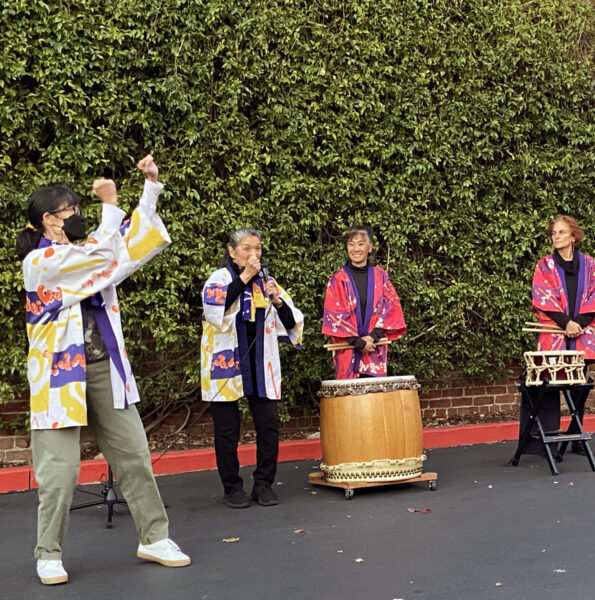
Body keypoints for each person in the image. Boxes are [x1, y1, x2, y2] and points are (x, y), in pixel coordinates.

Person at [16, 155, 190, 585]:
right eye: (70, 211)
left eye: (78, 209)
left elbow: (127, 249)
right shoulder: (39, 263)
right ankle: (48, 552)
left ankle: (154, 537)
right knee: (58, 471)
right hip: (59, 377)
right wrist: (111, 205)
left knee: (134, 456)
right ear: (46, 220)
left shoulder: (88, 253)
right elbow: (106, 253)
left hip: (104, 368)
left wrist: (150, 188)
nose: (77, 216)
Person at [201, 228, 303, 508]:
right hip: (226, 363)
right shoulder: (219, 278)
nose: (254, 254)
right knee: (226, 429)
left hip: (261, 362)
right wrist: (245, 277)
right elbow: (214, 311)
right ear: (232, 252)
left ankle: (264, 484)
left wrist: (277, 299)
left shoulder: (268, 281)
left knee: (268, 425)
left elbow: (292, 322)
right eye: (247, 249)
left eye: (257, 248)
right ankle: (232, 487)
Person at [529, 215, 595, 454]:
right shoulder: (544, 265)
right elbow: (542, 297)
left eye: (562, 232)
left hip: (581, 333)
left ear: (574, 236)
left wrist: (579, 324)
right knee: (550, 385)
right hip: (555, 333)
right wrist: (566, 323)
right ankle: (546, 439)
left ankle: (576, 434)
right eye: (554, 233)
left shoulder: (590, 265)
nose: (556, 237)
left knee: (580, 384)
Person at [322, 225, 406, 379]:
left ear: (370, 247)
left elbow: (390, 310)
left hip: (375, 347)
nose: (356, 249)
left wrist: (372, 337)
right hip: (347, 349)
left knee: (374, 398)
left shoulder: (381, 277)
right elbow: (334, 316)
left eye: (360, 244)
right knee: (348, 400)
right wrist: (359, 343)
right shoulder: (338, 280)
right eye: (351, 244)